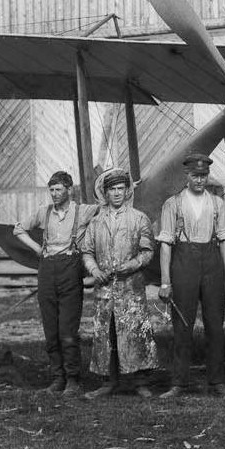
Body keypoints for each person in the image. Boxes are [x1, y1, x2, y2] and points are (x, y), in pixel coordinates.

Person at [14, 171, 99, 396]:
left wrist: (130, 186)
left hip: (71, 271)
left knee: (68, 331)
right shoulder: (44, 212)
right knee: (51, 330)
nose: (54, 194)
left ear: (70, 190)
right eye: (51, 190)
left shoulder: (84, 210)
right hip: (47, 270)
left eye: (58, 189)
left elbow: (108, 202)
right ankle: (57, 379)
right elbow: (18, 229)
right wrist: (37, 249)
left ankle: (73, 379)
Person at [157, 153, 225, 398]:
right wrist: (165, 281)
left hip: (212, 263)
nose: (199, 180)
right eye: (195, 176)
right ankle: (179, 382)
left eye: (203, 176)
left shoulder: (218, 203)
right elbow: (166, 244)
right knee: (182, 324)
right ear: (186, 175)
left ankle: (217, 381)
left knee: (215, 325)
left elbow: (224, 242)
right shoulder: (173, 203)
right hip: (184, 262)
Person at [81, 169, 159, 399]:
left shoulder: (139, 218)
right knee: (106, 333)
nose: (116, 194)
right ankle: (108, 381)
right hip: (105, 289)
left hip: (131, 287)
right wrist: (95, 270)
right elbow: (86, 252)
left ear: (127, 191)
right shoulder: (95, 223)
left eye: (120, 189)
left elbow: (148, 252)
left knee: (135, 330)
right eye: (112, 190)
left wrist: (133, 264)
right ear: (105, 193)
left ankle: (140, 381)